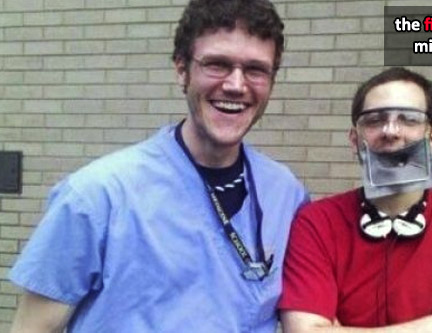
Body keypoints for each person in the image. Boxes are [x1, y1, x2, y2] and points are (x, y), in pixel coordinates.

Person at [8, 0, 309, 332]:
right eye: (217, 64)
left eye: (255, 69)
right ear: (181, 69)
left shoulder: (285, 194)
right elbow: (32, 328)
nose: (236, 85)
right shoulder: (96, 196)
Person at [279, 67, 432, 332]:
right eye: (374, 120)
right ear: (354, 140)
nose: (391, 131)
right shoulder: (317, 222)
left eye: (409, 119)